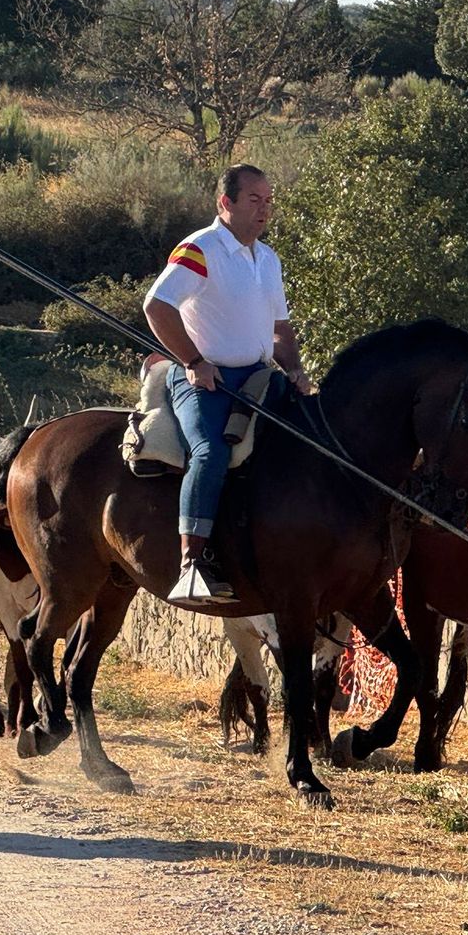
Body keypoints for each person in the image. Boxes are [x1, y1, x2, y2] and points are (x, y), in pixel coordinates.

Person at [142, 163, 316, 606]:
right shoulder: (199, 249)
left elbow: (280, 331)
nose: (264, 209)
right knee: (211, 451)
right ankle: (193, 564)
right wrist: (194, 360)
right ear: (226, 203)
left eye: (268, 200)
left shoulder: (268, 258)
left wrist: (294, 370)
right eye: (254, 199)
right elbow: (157, 307)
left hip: (260, 378)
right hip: (205, 379)